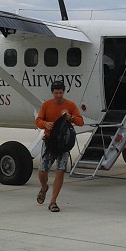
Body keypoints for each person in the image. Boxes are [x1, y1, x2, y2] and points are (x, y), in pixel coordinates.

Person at [35, 80, 84, 212]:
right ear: (52, 92)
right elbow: (38, 120)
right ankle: (44, 187)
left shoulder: (70, 105)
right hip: (49, 141)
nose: (58, 95)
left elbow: (80, 122)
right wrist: (45, 124)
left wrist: (71, 118)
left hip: (63, 144)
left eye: (60, 93)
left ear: (64, 92)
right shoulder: (46, 105)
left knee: (60, 171)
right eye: (56, 93)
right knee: (42, 170)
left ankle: (53, 201)